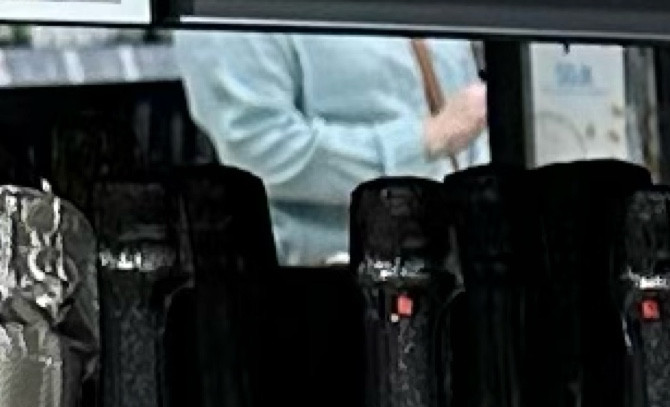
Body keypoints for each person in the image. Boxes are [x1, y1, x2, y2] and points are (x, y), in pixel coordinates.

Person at [172, 32, 489, 266]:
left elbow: (469, 118)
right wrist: (422, 141)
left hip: (454, 264)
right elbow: (259, 148)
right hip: (319, 287)